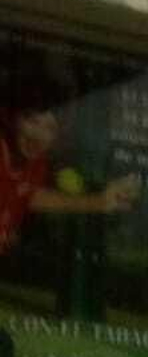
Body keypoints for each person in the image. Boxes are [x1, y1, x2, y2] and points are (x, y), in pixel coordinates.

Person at [0, 105, 137, 259]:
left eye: (50, 128)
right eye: (32, 121)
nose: (38, 135)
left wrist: (99, 202)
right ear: (15, 120)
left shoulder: (37, 164)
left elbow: (31, 196)